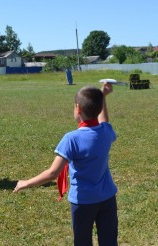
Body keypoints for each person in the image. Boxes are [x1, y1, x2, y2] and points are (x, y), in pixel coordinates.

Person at [14, 83, 118, 246]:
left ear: (78, 108)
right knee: (109, 241)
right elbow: (104, 120)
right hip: (107, 198)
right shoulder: (106, 132)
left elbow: (53, 173)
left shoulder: (72, 139)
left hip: (83, 202)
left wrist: (25, 183)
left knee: (82, 241)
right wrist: (103, 97)